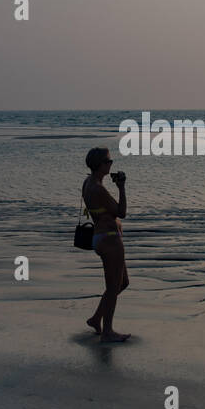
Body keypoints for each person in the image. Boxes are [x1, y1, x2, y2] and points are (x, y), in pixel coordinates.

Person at [82, 147, 130, 342]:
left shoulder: (88, 182)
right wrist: (121, 187)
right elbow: (121, 211)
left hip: (101, 237)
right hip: (109, 239)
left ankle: (96, 319)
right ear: (100, 164)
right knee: (112, 287)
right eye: (109, 161)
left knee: (122, 283)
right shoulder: (98, 188)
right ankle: (107, 331)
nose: (111, 164)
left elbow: (102, 211)